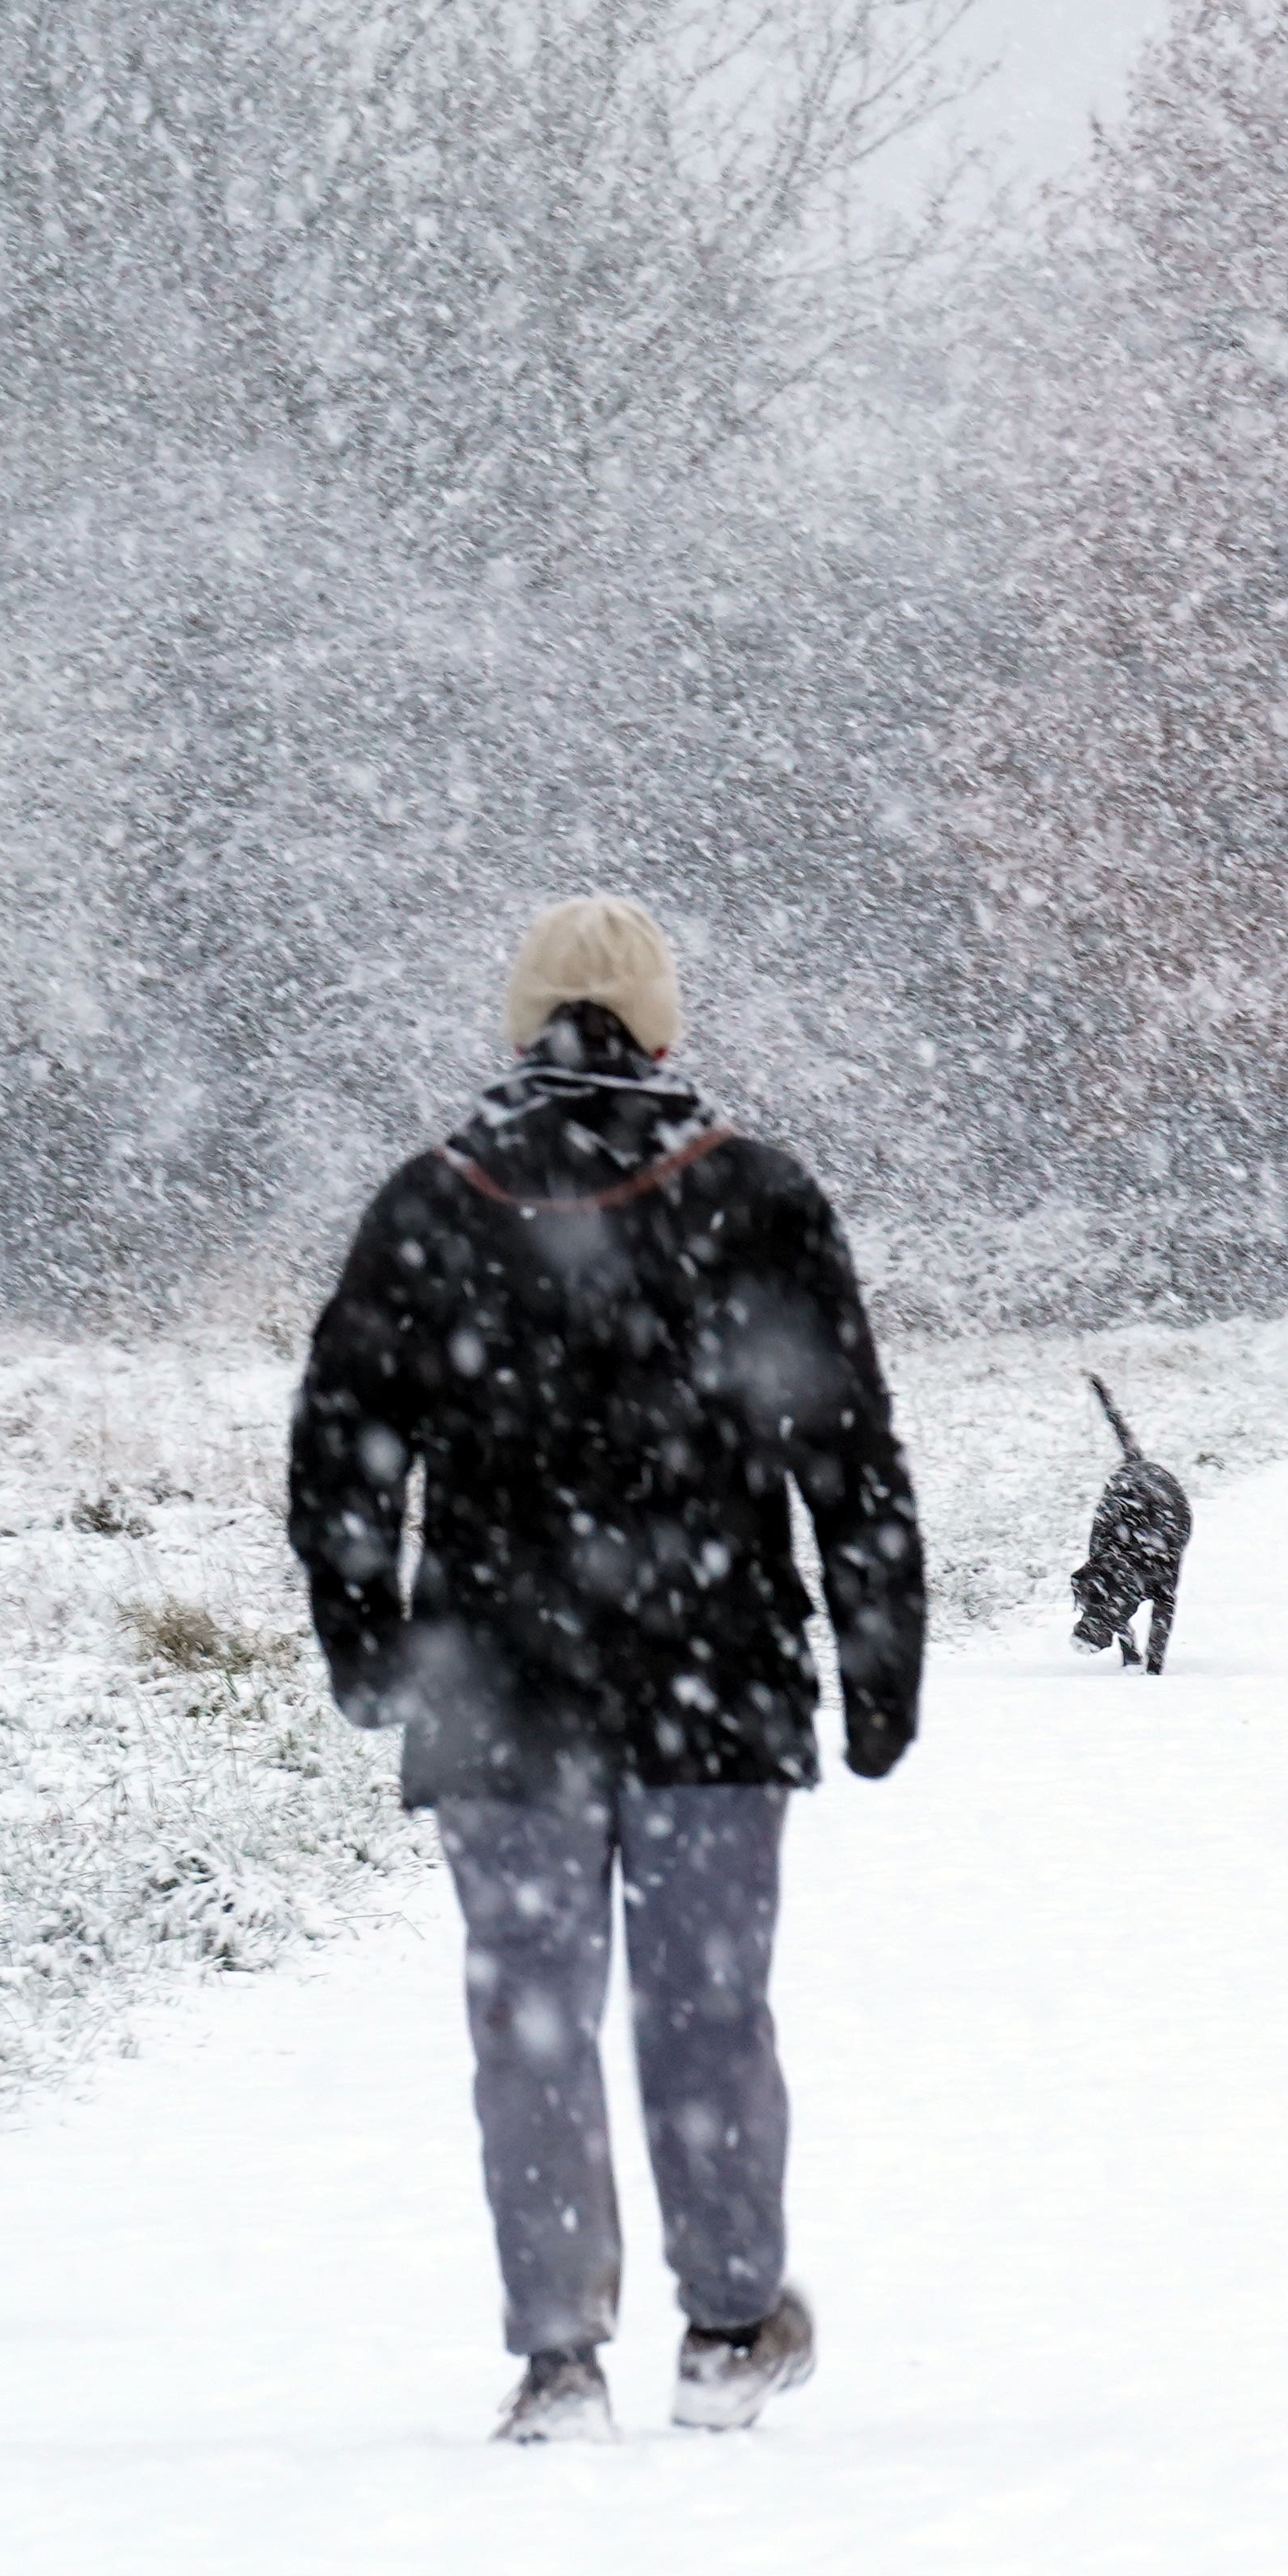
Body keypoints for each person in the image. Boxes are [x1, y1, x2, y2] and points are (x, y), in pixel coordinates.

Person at [289, 896, 923, 2443]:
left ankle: (559, 2354)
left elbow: (339, 1449)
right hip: (710, 1670)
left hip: (498, 1684)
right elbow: (843, 1445)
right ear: (662, 1028)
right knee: (706, 2008)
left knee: (531, 2018)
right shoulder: (753, 1196)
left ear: (518, 1029)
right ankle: (725, 2325)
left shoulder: (431, 1202)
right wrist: (874, 1654)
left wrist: (369, 1640)